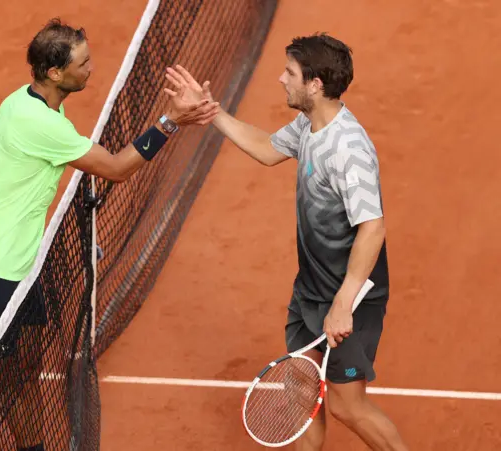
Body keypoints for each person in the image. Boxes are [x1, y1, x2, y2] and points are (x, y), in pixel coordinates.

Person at [0, 18, 218, 451]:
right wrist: (171, 121)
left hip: (20, 266)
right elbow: (116, 168)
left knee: (26, 375)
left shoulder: (36, 104)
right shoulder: (40, 123)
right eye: (82, 62)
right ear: (54, 73)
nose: (91, 68)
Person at [165, 33, 408, 451]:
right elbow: (266, 148)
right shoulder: (310, 124)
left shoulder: (348, 150)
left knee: (348, 408)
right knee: (300, 389)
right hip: (311, 289)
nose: (281, 79)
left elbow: (373, 227)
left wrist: (343, 303)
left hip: (349, 296)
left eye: (290, 73)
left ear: (315, 84)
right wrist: (211, 112)